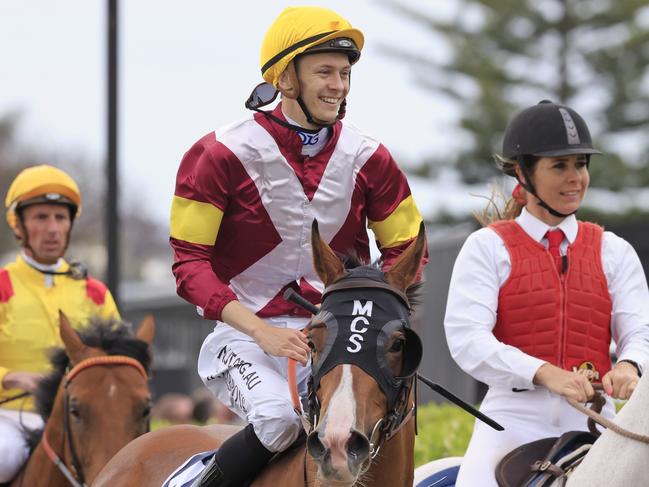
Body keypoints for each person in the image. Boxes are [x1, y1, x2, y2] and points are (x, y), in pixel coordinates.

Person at [169, 5, 426, 486]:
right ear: (285, 78)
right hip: (244, 336)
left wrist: (368, 322)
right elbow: (189, 264)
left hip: (333, 339)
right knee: (279, 420)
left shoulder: (372, 158)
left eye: (345, 74)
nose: (339, 85)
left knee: (392, 415)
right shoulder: (218, 154)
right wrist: (260, 331)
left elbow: (408, 251)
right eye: (325, 72)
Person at [444, 100, 649, 486]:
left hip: (596, 417)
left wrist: (629, 365)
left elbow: (639, 330)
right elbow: (467, 338)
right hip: (512, 418)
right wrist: (542, 373)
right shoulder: (486, 247)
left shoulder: (614, 250)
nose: (576, 178)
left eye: (581, 164)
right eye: (560, 166)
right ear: (523, 173)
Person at [0, 164, 120, 483]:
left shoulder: (95, 293)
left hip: (82, 420)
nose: (52, 228)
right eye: (41, 217)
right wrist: (12, 377)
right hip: (10, 417)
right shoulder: (2, 286)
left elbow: (119, 363)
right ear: (19, 225)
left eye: (60, 217)